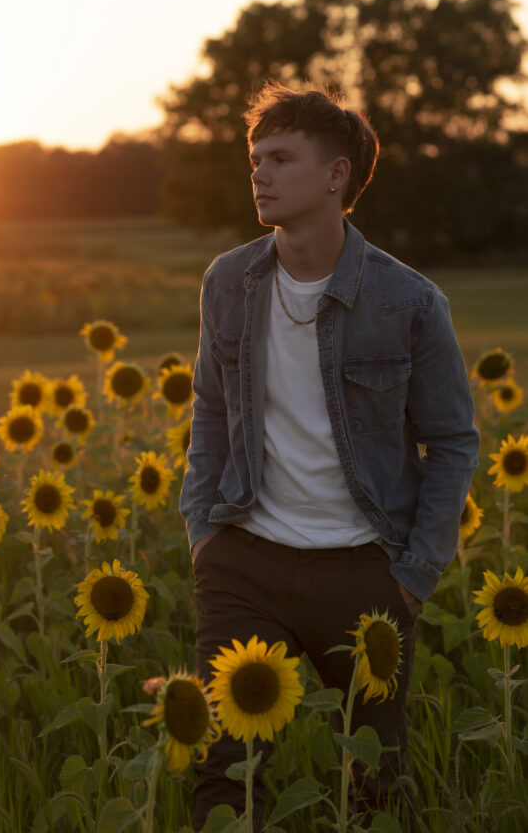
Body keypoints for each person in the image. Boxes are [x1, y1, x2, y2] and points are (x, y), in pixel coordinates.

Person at [180, 81, 479, 831]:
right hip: (244, 559)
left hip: (363, 574)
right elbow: (211, 413)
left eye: (280, 158)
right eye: (256, 158)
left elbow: (451, 442)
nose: (260, 174)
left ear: (336, 175)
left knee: (378, 783)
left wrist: (411, 578)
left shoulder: (408, 303)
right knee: (223, 775)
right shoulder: (229, 282)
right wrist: (204, 539)